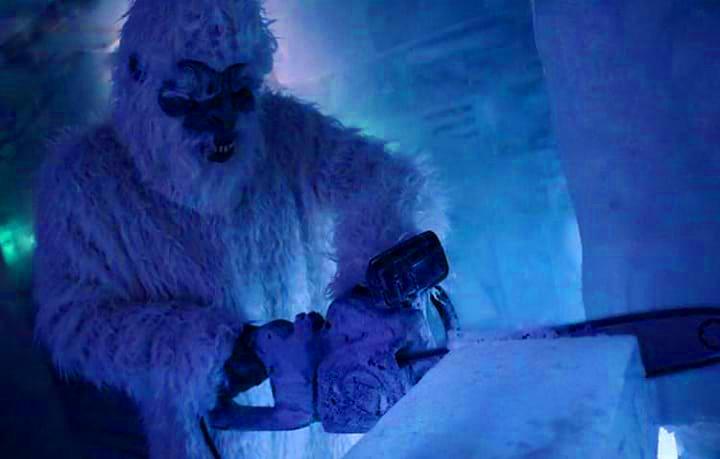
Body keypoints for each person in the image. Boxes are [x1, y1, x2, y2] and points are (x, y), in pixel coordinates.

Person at [32, 0, 447, 457]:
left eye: (238, 92)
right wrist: (210, 352)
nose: (222, 120)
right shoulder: (84, 181)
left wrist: (375, 281)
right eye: (192, 96)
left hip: (339, 433)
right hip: (216, 442)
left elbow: (385, 182)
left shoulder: (285, 130)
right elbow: (73, 323)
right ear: (138, 79)